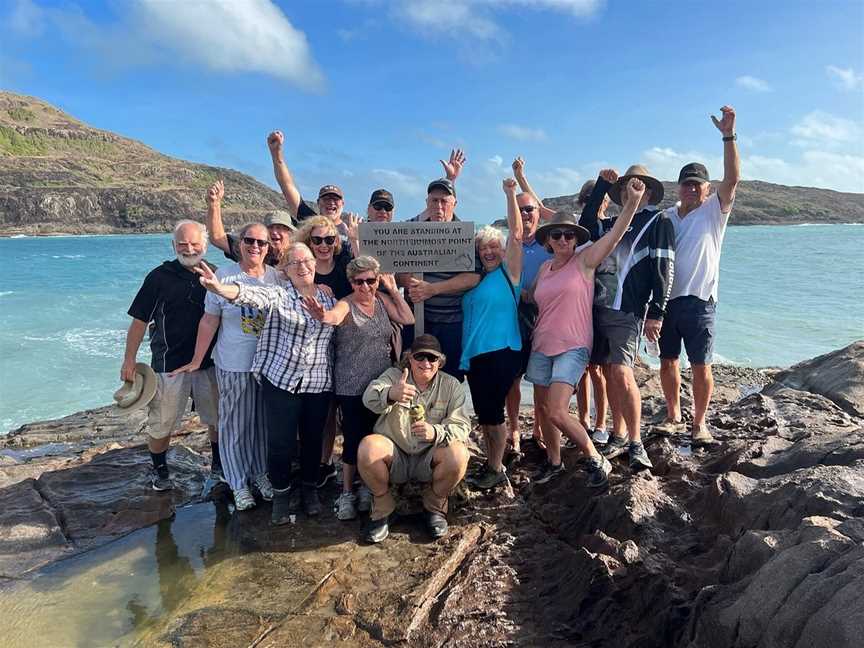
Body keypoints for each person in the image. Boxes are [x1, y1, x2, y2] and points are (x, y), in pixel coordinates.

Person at [192, 243, 336, 524]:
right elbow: (250, 296)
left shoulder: (330, 299)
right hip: (281, 381)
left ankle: (309, 491)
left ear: (315, 264)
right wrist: (221, 289)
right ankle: (281, 496)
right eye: (295, 263)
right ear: (285, 270)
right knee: (280, 443)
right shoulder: (279, 295)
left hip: (318, 383)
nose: (303, 267)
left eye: (306, 261)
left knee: (312, 441)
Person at [528, 178, 647, 488]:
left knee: (556, 409)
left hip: (573, 346)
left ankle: (596, 457)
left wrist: (632, 203)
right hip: (541, 344)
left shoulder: (585, 261)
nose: (564, 239)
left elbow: (615, 234)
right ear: (548, 240)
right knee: (543, 409)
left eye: (570, 234)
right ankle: (554, 461)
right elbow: (531, 297)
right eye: (558, 235)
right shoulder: (543, 269)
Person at [171, 222, 279, 511]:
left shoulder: (276, 278)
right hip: (233, 363)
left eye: (262, 242)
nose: (255, 247)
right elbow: (209, 320)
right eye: (249, 241)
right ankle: (237, 482)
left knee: (260, 425)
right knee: (234, 425)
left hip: (267, 366)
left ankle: (259, 475)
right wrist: (197, 360)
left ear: (269, 248)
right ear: (239, 243)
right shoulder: (224, 274)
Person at [579, 165, 676, 472]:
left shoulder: (657, 221)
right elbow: (585, 225)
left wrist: (657, 312)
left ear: (647, 191)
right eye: (623, 188)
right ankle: (618, 433)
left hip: (628, 309)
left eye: (636, 186)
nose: (628, 191)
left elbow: (664, 267)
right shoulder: (609, 224)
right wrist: (599, 188)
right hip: (597, 308)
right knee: (607, 373)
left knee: (622, 372)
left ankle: (636, 441)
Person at [303, 256, 414, 520]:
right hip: (351, 383)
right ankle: (346, 492)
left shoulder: (383, 302)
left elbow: (408, 318)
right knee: (353, 440)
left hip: (381, 383)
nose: (365, 287)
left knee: (377, 436)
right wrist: (322, 315)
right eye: (358, 281)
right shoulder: (346, 304)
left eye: (370, 280)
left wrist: (391, 288)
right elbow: (333, 316)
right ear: (351, 282)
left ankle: (368, 487)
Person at [658, 106, 740, 446]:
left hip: (700, 300)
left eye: (697, 184)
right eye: (686, 184)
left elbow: (732, 177)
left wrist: (728, 135)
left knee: (701, 365)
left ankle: (700, 423)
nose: (691, 189)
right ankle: (673, 415)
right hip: (665, 302)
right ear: (678, 188)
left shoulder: (714, 212)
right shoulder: (666, 217)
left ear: (706, 189)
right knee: (667, 362)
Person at [122, 220, 220, 491]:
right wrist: (129, 360)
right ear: (173, 245)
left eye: (194, 243)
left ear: (205, 244)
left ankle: (219, 465)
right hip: (169, 364)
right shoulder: (158, 277)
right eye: (182, 244)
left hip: (210, 363)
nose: (189, 248)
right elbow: (139, 321)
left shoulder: (215, 274)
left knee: (216, 418)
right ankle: (160, 470)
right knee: (162, 422)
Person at [359, 335, 471, 543]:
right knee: (367, 447)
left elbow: (463, 426)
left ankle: (435, 507)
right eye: (420, 357)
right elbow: (369, 398)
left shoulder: (452, 385)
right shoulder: (393, 375)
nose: (426, 363)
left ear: (440, 362)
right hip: (396, 455)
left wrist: (435, 432)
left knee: (459, 454)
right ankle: (383, 508)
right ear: (409, 358)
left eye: (432, 358)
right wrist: (391, 393)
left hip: (430, 457)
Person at [461, 178, 524, 490]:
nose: (489, 251)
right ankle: (491, 462)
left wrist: (510, 194)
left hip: (501, 352)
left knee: (494, 414)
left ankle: (496, 468)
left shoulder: (508, 274)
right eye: (483, 247)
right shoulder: (474, 278)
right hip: (475, 355)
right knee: (485, 415)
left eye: (493, 247)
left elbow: (516, 233)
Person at [402, 178, 481, 381]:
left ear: (454, 203)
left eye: (444, 201)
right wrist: (410, 283)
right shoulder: (411, 229)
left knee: (450, 378)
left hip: (451, 323)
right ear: (427, 203)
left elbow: (473, 277)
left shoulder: (465, 234)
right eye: (434, 200)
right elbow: (395, 267)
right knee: (414, 375)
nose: (439, 206)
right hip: (417, 319)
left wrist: (433, 289)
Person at [506, 156, 554, 455]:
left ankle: (538, 427)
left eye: (530, 210)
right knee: (512, 379)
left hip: (545, 319)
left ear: (539, 214)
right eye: (520, 210)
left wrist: (521, 177)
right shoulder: (506, 245)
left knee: (540, 379)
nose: (525, 214)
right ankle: (513, 428)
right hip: (512, 319)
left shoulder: (551, 243)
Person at [574, 180, 611, 445]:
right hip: (578, 303)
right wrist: (520, 178)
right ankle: (583, 419)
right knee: (583, 369)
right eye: (587, 196)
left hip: (601, 302)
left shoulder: (611, 225)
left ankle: (601, 423)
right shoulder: (576, 226)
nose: (592, 200)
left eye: (596, 196)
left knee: (597, 369)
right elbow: (540, 209)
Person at [266, 130, 353, 238]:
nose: (331, 203)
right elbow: (287, 185)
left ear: (343, 204)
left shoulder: (354, 230)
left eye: (335, 199)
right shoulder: (309, 221)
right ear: (318, 202)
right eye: (326, 199)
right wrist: (276, 154)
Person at [204, 179, 295, 266]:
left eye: (279, 227)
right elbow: (217, 238)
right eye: (270, 227)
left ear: (289, 233)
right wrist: (214, 204)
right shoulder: (252, 251)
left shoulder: (298, 256)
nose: (274, 232)